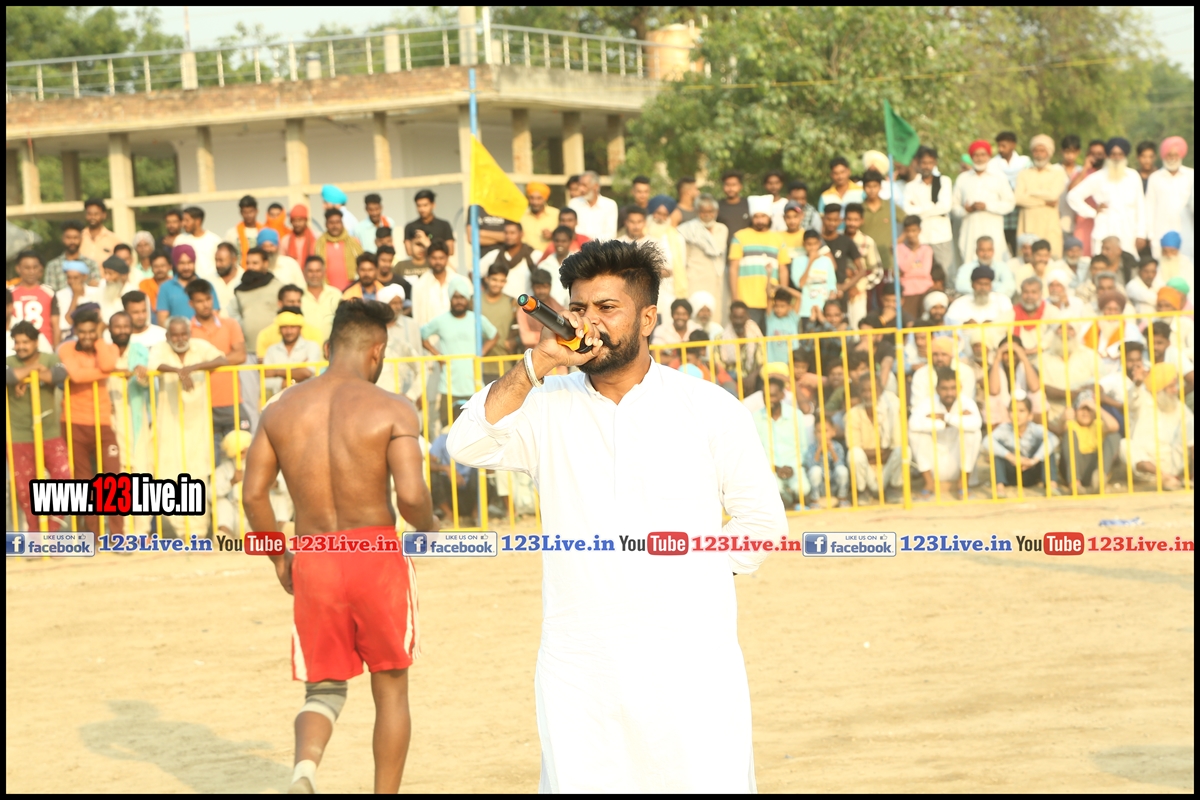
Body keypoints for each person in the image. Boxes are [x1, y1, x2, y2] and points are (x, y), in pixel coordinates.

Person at [446, 238, 785, 793]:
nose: (590, 322)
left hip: (691, 661)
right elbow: (465, 443)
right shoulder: (545, 404)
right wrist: (538, 364)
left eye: (607, 308)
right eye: (579, 308)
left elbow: (762, 525)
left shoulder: (708, 407)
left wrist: (686, 568)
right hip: (581, 665)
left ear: (647, 318)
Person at [241, 297, 433, 793]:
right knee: (391, 689)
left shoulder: (280, 409)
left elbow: (253, 495)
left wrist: (279, 556)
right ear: (377, 352)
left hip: (314, 555)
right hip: (376, 556)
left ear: (328, 349)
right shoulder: (393, 408)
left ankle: (305, 770)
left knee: (322, 690)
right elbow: (412, 498)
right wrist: (431, 530)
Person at [57, 308, 124, 534]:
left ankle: (117, 535)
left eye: (91, 331)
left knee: (114, 479)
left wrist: (99, 340)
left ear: (97, 330)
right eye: (82, 331)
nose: (87, 336)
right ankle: (91, 535)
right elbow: (76, 376)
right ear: (76, 331)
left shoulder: (108, 347)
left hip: (103, 422)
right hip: (74, 422)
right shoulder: (66, 348)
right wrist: (107, 373)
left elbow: (106, 364)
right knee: (83, 483)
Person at [6, 321, 70, 531]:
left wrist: (26, 376)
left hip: (49, 433)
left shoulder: (50, 359)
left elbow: (59, 375)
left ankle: (50, 532)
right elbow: (8, 376)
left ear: (36, 342)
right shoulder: (9, 361)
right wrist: (33, 370)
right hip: (18, 436)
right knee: (25, 490)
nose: (20, 346)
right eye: (17, 342)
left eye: (25, 342)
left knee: (64, 479)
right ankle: (35, 537)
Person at [421, 275, 498, 425]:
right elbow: (422, 335)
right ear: (450, 299)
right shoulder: (441, 320)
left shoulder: (476, 319)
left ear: (467, 299)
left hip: (474, 385)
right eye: (455, 297)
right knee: (447, 428)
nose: (459, 301)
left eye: (462, 297)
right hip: (448, 386)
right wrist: (438, 356)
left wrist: (481, 353)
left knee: (476, 427)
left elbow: (494, 335)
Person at [187, 278, 250, 452]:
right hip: (201, 403)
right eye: (199, 301)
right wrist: (221, 361)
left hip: (231, 399)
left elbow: (240, 355)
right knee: (209, 458)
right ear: (191, 303)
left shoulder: (230, 324)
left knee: (242, 453)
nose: (205, 305)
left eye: (208, 299)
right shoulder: (186, 330)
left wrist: (202, 365)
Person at [106, 310, 153, 534]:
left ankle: (142, 532)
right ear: (110, 329)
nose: (122, 330)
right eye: (118, 326)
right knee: (118, 476)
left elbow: (144, 381)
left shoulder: (139, 351)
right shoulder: (105, 353)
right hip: (111, 419)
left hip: (137, 418)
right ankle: (122, 531)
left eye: (126, 326)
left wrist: (140, 374)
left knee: (142, 474)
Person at [909, 366, 982, 498]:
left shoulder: (966, 402)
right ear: (937, 389)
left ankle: (963, 485)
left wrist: (945, 417)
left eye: (953, 388)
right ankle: (928, 484)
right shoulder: (928, 403)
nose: (949, 393)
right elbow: (913, 424)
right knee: (916, 434)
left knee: (973, 433)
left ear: (959, 388)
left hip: (958, 463)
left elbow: (977, 423)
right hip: (934, 464)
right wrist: (947, 423)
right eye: (944, 389)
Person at [1067, 138, 1146, 258]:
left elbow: (1140, 207)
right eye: (1113, 154)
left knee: (1128, 265)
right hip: (1104, 231)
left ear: (1125, 156)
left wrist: (1141, 234)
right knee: (1102, 264)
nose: (1116, 157)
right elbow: (1072, 196)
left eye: (1120, 154)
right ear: (1108, 155)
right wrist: (1092, 212)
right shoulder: (1098, 177)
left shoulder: (1133, 176)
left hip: (1128, 233)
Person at [728, 195, 792, 328]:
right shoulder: (740, 237)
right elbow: (733, 269)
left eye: (763, 216)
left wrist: (783, 297)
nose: (760, 220)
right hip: (747, 301)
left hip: (773, 302)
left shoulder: (778, 239)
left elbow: (783, 270)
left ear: (769, 217)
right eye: (756, 217)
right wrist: (735, 298)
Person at [1127, 363, 1193, 489]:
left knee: (1192, 424)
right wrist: (1138, 384)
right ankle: (1164, 477)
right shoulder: (1144, 400)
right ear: (1159, 388)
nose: (1176, 390)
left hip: (1173, 463)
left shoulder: (1177, 405)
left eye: (1175, 385)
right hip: (1148, 468)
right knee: (1125, 445)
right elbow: (1132, 400)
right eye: (1171, 386)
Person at [954, 140, 1016, 265]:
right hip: (970, 229)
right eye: (976, 155)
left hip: (993, 227)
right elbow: (953, 206)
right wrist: (966, 210)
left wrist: (987, 206)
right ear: (971, 157)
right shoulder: (963, 178)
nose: (980, 158)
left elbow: (1010, 203)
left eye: (983, 155)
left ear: (988, 156)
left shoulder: (999, 177)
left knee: (996, 261)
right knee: (970, 262)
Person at [844, 376, 904, 502]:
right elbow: (855, 449)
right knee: (854, 454)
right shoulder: (853, 414)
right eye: (864, 391)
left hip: (887, 469)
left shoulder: (891, 412)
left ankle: (893, 488)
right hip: (868, 472)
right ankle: (863, 491)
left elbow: (896, 447)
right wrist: (883, 452)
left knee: (903, 451)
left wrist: (868, 455)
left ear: (880, 391)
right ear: (859, 392)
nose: (868, 395)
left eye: (872, 390)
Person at [753, 374, 808, 508]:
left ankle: (791, 498)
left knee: (803, 489)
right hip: (769, 470)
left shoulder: (795, 415)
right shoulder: (755, 418)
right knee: (773, 491)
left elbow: (803, 447)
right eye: (766, 396)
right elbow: (754, 451)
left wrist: (793, 467)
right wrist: (774, 468)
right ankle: (787, 499)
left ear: (782, 396)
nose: (769, 400)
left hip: (793, 467)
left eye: (773, 395)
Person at [1051, 391, 1121, 494]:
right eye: (1082, 409)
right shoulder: (1071, 424)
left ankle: (1099, 479)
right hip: (1073, 467)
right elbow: (1060, 430)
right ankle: (1075, 484)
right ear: (1075, 411)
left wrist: (1096, 407)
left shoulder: (1098, 425)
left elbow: (1114, 426)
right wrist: (1062, 419)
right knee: (1069, 434)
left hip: (1093, 468)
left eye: (1089, 410)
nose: (1085, 413)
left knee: (1114, 436)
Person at [903, 146, 955, 282]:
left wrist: (919, 209)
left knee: (945, 272)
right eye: (924, 163)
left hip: (941, 235)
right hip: (921, 237)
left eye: (930, 163)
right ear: (918, 163)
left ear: (935, 163)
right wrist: (933, 207)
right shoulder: (911, 186)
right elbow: (908, 210)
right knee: (922, 272)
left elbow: (945, 206)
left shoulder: (944, 181)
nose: (927, 166)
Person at [989, 396, 1059, 496]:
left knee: (1047, 447)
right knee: (996, 450)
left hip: (1031, 472)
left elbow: (1054, 439)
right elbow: (987, 441)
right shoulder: (1004, 428)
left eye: (1021, 411)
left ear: (1030, 415)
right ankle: (999, 489)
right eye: (1013, 411)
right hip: (1011, 473)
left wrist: (1033, 460)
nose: (1017, 415)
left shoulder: (1035, 428)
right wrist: (1012, 457)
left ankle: (1052, 486)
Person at [677, 194, 728, 325]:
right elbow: (682, 259)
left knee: (717, 317)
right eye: (703, 211)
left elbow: (719, 252)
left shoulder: (722, 229)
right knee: (696, 316)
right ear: (697, 212)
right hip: (695, 279)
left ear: (716, 212)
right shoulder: (686, 230)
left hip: (718, 280)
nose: (707, 215)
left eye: (710, 211)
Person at [1015, 134, 1066, 257]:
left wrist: (1029, 193)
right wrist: (1043, 202)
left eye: (1042, 151)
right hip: (1028, 223)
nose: (1039, 154)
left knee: (1052, 258)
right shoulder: (1024, 174)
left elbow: (1053, 196)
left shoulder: (1057, 173)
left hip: (1049, 224)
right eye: (1036, 150)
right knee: (1027, 259)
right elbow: (1018, 198)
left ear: (1049, 152)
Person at [1145, 137, 1195, 260]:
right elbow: (1149, 208)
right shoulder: (1155, 178)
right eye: (1169, 155)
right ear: (1163, 155)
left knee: (1187, 265)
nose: (1172, 158)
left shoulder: (1191, 176)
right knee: (1163, 266)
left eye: (1175, 155)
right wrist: (1150, 235)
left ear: (1181, 155)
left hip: (1187, 232)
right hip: (1161, 233)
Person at [231, 248, 284, 348]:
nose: (250, 267)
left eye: (255, 263)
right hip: (248, 348)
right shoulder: (240, 290)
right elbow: (233, 314)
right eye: (248, 263)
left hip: (274, 348)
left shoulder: (278, 287)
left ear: (265, 264)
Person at [988, 132, 1032, 255]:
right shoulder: (992, 164)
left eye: (1004, 146)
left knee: (1019, 249)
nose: (1000, 149)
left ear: (1013, 145)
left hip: (1020, 214)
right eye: (999, 146)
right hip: (1000, 215)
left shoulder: (1025, 163)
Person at [263, 310, 323, 394]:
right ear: (279, 329)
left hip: (307, 396)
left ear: (300, 328)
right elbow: (265, 380)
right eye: (284, 327)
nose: (289, 331)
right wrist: (297, 373)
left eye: (293, 327)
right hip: (279, 398)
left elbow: (307, 372)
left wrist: (276, 372)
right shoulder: (272, 350)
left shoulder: (312, 346)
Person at [10, 250, 60, 352]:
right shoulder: (10, 293)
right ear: (18, 269)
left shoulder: (49, 292)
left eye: (35, 267)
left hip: (44, 348)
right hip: (16, 348)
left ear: (40, 268)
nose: (31, 272)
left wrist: (56, 351)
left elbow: (56, 326)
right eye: (27, 268)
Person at [479, 263, 518, 381]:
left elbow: (521, 328)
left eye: (502, 281)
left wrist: (515, 340)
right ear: (487, 279)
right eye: (494, 280)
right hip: (479, 364)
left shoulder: (512, 303)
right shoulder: (474, 301)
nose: (497, 284)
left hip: (504, 364)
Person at [945, 266, 1015, 331]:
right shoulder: (959, 303)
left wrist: (993, 324)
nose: (983, 288)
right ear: (972, 285)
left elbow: (1009, 322)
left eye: (986, 284)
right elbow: (949, 324)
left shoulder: (1002, 300)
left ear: (991, 286)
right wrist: (964, 325)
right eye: (979, 284)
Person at [483, 220, 538, 301]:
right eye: (506, 233)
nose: (509, 236)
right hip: (502, 305)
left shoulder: (534, 255)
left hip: (526, 305)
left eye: (512, 233)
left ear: (521, 234)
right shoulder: (494, 255)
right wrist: (485, 292)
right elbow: (473, 273)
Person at [792, 230, 836, 328]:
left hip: (824, 310)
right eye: (809, 244)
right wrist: (810, 261)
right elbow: (800, 284)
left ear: (819, 243)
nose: (812, 247)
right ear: (804, 244)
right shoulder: (798, 261)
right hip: (806, 310)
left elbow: (832, 284)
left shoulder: (826, 261)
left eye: (815, 244)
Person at [804, 416, 849, 508]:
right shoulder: (812, 448)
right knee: (815, 470)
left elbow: (840, 464)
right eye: (819, 432)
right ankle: (815, 500)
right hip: (821, 487)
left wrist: (831, 450)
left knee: (842, 470)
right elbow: (811, 466)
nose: (823, 435)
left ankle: (842, 499)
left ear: (833, 432)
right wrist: (819, 450)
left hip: (834, 485)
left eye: (826, 431)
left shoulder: (837, 446)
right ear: (815, 433)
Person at [44, 220, 101, 292]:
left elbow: (96, 289)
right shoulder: (53, 266)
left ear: (81, 239)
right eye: (68, 238)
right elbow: (49, 292)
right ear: (62, 239)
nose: (72, 241)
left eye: (75, 238)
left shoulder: (91, 264)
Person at [315, 208, 364, 291]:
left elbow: (362, 264)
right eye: (331, 223)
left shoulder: (354, 243)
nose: (335, 226)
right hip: (327, 290)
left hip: (352, 289)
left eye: (338, 222)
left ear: (342, 223)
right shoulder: (318, 244)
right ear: (326, 224)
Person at [517, 268, 565, 349]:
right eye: (538, 287)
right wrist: (553, 335)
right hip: (533, 353)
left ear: (550, 287)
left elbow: (564, 333)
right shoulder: (523, 310)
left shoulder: (559, 308)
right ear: (532, 287)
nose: (542, 291)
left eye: (545, 287)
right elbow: (526, 339)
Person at [896, 216, 933, 320]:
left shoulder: (927, 249)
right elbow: (904, 267)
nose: (911, 234)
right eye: (908, 231)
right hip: (907, 291)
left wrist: (905, 274)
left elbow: (925, 272)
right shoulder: (899, 248)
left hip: (925, 289)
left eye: (914, 230)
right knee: (910, 321)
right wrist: (914, 251)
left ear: (919, 230)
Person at [411, 240, 454, 331]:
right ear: (428, 258)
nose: (438, 262)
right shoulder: (419, 285)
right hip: (430, 337)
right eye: (434, 258)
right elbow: (417, 318)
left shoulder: (458, 281)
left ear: (447, 258)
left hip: (455, 336)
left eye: (441, 258)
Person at [299, 256, 342, 344]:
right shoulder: (298, 296)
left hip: (331, 347)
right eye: (310, 271)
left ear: (324, 272)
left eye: (318, 271)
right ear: (304, 272)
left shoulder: (336, 294)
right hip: (305, 348)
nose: (314, 275)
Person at [860, 170, 895, 277]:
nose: (872, 190)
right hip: (865, 260)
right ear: (863, 187)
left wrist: (897, 242)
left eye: (875, 186)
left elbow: (908, 222)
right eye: (868, 186)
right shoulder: (860, 209)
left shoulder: (890, 206)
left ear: (880, 187)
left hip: (886, 259)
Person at [173, 206, 223, 281]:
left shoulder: (215, 240)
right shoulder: (179, 240)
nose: (183, 224)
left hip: (210, 283)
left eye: (187, 220)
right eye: (183, 220)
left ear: (198, 221)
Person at [56, 260, 103, 340]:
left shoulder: (96, 292)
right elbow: (68, 321)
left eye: (76, 278)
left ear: (84, 277)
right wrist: (76, 296)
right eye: (69, 278)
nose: (72, 281)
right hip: (69, 338)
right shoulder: (60, 295)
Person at [568, 170, 619, 241]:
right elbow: (571, 229)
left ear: (596, 186)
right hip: (578, 245)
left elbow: (611, 234)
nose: (580, 189)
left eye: (584, 185)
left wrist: (591, 241)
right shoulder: (573, 203)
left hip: (601, 246)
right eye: (579, 185)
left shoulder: (609, 205)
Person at [404, 189, 456, 257]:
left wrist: (428, 244)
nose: (422, 209)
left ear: (433, 205)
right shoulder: (410, 226)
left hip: (438, 263)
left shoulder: (444, 225)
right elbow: (409, 252)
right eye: (419, 206)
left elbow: (450, 250)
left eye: (425, 205)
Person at [818, 156, 865, 225]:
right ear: (831, 175)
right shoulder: (825, 196)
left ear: (849, 171)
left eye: (842, 172)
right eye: (836, 173)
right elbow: (822, 219)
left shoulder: (861, 191)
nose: (840, 176)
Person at [653, 297, 700, 361]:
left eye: (684, 314)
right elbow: (656, 357)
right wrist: (680, 360)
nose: (680, 317)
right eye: (677, 314)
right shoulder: (661, 330)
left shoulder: (696, 329)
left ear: (689, 316)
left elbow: (701, 356)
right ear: (672, 314)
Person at [78, 198, 122, 265]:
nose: (92, 217)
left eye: (96, 214)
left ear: (104, 215)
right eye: (89, 214)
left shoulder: (114, 239)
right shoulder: (78, 237)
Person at [715, 170, 750, 252]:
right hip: (723, 250)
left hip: (746, 249)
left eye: (734, 185)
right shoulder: (717, 206)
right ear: (723, 186)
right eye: (727, 185)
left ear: (740, 186)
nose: (730, 188)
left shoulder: (748, 204)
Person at [520, 181, 559, 250]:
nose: (535, 202)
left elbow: (565, 235)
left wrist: (553, 235)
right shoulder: (521, 215)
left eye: (539, 198)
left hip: (550, 255)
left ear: (545, 198)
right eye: (532, 198)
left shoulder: (556, 214)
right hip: (526, 255)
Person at [225, 195, 263, 264]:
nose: (248, 215)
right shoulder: (232, 233)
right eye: (245, 212)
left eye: (251, 211)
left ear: (257, 211)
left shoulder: (264, 232)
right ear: (240, 213)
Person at [98, 255, 135, 326]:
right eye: (105, 273)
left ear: (123, 276)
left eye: (110, 274)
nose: (106, 277)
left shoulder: (133, 294)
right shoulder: (101, 288)